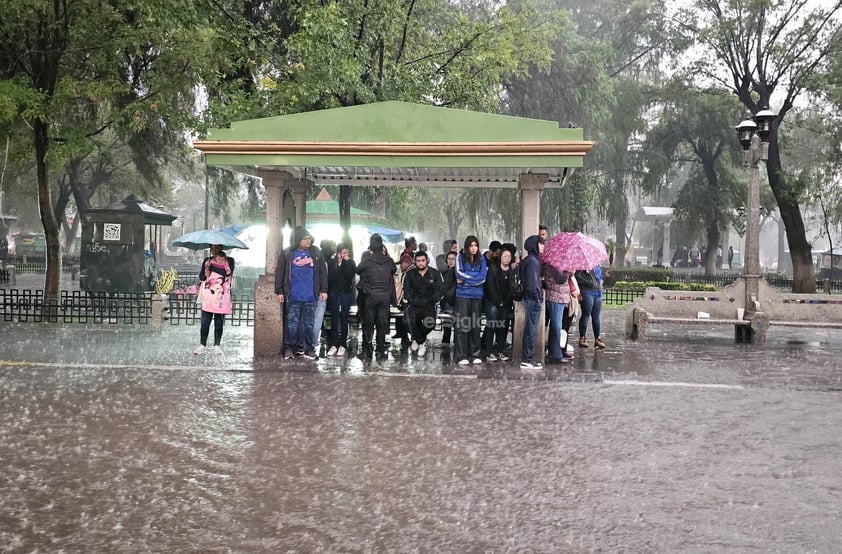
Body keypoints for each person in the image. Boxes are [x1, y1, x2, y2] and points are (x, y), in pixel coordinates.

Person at [276, 227, 328, 360]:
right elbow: (280, 273)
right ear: (298, 240)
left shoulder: (316, 252)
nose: (308, 241)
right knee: (292, 323)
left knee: (309, 323)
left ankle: (308, 349)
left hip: (311, 295)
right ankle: (289, 349)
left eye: (309, 238)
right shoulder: (287, 253)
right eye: (305, 239)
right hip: (293, 295)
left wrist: (323, 290)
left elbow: (323, 272)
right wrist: (280, 291)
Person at [356, 234, 396, 361]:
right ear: (382, 247)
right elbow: (394, 270)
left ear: (371, 249)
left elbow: (357, 270)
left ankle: (367, 352)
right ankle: (380, 351)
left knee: (368, 325)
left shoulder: (366, 262)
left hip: (370, 297)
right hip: (384, 297)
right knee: (382, 324)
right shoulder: (389, 261)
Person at [194, 244, 235, 356]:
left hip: (222, 295)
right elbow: (202, 277)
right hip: (209, 295)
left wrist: (212, 266)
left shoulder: (229, 261)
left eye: (216, 248)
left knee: (219, 321)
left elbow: (226, 273)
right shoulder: (207, 261)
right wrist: (207, 268)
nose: (214, 250)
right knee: (205, 321)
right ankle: (202, 344)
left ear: (221, 248)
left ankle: (217, 345)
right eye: (212, 248)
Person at [402, 251, 443, 357]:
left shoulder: (435, 273)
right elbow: (406, 291)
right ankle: (421, 341)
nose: (420, 263)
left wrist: (430, 300)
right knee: (407, 322)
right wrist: (413, 300)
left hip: (429, 304)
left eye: (423, 261)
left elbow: (439, 291)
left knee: (430, 323)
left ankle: (417, 338)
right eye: (418, 261)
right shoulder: (410, 274)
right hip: (413, 304)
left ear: (427, 261)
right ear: (415, 262)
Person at [454, 235, 487, 366]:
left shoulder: (482, 258)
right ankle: (461, 355)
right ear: (467, 247)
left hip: (477, 296)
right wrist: (475, 278)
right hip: (462, 295)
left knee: (475, 325)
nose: (474, 248)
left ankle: (475, 353)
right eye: (471, 245)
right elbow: (458, 274)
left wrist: (467, 281)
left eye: (476, 245)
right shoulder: (460, 257)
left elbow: (483, 277)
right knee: (463, 325)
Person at [482, 245, 514, 361]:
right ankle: (489, 351)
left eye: (509, 257)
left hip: (505, 302)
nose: (507, 259)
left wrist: (505, 302)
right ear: (500, 258)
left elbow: (512, 289)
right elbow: (490, 287)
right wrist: (497, 301)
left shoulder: (511, 272)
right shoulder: (493, 269)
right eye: (505, 256)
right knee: (492, 323)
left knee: (503, 325)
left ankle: (500, 350)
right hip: (492, 301)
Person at [326, 243, 356, 357]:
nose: (346, 255)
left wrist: (346, 263)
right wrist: (338, 264)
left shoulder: (351, 263)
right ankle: (333, 344)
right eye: (343, 253)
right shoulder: (332, 263)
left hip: (346, 293)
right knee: (334, 318)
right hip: (334, 293)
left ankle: (343, 344)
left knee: (344, 318)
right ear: (338, 253)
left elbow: (350, 276)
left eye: (347, 253)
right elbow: (331, 278)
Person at [519, 235, 544, 369]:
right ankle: (526, 359)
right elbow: (531, 283)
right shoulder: (532, 262)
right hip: (532, 300)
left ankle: (527, 358)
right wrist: (537, 297)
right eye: (540, 244)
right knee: (531, 330)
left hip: (530, 299)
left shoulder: (530, 260)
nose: (543, 246)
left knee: (530, 329)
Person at [542, 262, 570, 364]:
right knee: (556, 326)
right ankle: (555, 354)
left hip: (560, 297)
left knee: (556, 326)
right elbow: (561, 279)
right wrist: (567, 270)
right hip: (555, 297)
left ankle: (554, 353)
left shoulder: (558, 264)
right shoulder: (553, 264)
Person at [313, 239, 335, 353]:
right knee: (324, 315)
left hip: (322, 291)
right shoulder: (327, 259)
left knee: (320, 315)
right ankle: (325, 331)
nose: (335, 248)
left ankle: (323, 332)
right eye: (333, 245)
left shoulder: (318, 255)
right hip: (326, 291)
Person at [393, 236, 417, 342]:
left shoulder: (412, 255)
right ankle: (404, 334)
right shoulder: (406, 256)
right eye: (415, 243)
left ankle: (403, 334)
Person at [576, 264, 604, 349]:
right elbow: (577, 276)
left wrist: (601, 282)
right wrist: (589, 282)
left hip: (598, 292)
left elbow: (599, 277)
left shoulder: (598, 265)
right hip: (587, 291)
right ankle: (582, 338)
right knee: (586, 314)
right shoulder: (583, 264)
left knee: (596, 316)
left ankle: (597, 338)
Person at [439, 251, 457, 345]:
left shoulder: (458, 273)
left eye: (453, 259)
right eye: (449, 259)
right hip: (447, 300)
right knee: (447, 315)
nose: (451, 261)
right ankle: (446, 339)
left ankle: (449, 339)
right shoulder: (444, 273)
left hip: (455, 300)